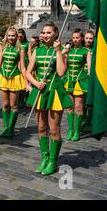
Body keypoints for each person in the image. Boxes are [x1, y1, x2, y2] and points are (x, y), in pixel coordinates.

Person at [26, 22, 73, 176]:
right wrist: (35, 83)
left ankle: (53, 161)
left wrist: (59, 51)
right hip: (40, 92)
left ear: (55, 34)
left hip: (54, 92)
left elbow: (60, 72)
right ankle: (44, 158)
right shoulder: (37, 51)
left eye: (48, 33)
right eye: (43, 33)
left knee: (54, 129)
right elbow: (27, 72)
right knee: (41, 128)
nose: (45, 35)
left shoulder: (58, 50)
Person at [0, 28, 26, 138]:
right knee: (5, 105)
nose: (11, 38)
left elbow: (22, 66)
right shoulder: (3, 46)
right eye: (9, 35)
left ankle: (11, 128)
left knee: (13, 105)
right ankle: (6, 126)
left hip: (14, 77)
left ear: (16, 36)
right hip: (3, 76)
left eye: (13, 36)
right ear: (6, 36)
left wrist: (26, 81)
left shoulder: (20, 48)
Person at [63, 29, 91, 142]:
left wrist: (88, 78)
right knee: (70, 106)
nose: (75, 39)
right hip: (69, 79)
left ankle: (77, 131)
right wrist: (64, 52)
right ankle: (70, 129)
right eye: (74, 37)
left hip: (80, 80)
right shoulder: (69, 50)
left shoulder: (86, 51)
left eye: (77, 37)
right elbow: (64, 66)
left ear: (82, 38)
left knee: (78, 107)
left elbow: (89, 67)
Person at [18, 29, 30, 109]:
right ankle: (18, 100)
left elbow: (29, 54)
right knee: (18, 83)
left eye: (21, 36)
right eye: (18, 36)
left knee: (25, 83)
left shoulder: (27, 43)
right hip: (17, 64)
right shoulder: (16, 43)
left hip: (25, 64)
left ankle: (24, 100)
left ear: (24, 35)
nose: (19, 38)